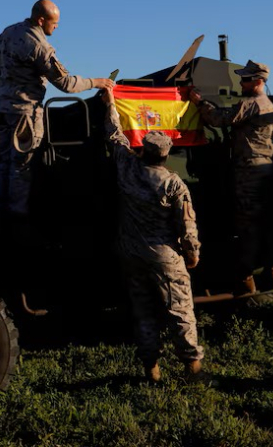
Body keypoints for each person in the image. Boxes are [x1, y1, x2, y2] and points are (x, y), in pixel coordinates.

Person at [101, 87, 207, 383]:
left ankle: (152, 370)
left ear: (143, 149)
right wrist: (193, 254)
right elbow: (187, 227)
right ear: (166, 154)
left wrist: (110, 103)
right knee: (180, 311)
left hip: (131, 252)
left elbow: (114, 133)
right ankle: (193, 369)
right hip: (164, 256)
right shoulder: (174, 185)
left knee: (143, 312)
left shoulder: (126, 167)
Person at [0, 0, 114, 219]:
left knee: (4, 165)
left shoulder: (10, 32)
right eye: (54, 22)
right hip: (24, 114)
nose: (56, 26)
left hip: (2, 109)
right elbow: (66, 83)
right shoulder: (39, 46)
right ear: (41, 20)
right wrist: (97, 82)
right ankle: (18, 223)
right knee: (22, 168)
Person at [189, 60, 273, 295]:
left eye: (246, 79)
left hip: (249, 172)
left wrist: (200, 102)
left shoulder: (250, 104)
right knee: (264, 224)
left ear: (258, 81)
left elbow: (219, 119)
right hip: (265, 169)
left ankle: (246, 283)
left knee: (246, 227)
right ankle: (271, 275)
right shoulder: (269, 104)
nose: (241, 81)